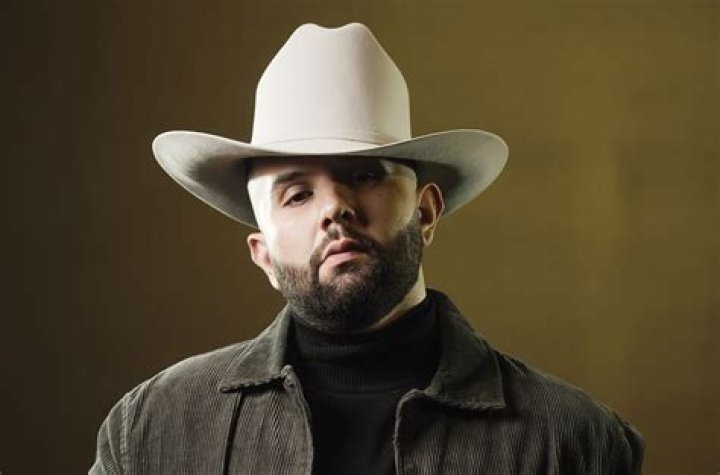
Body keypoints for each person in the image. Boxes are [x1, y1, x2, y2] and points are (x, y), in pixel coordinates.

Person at [91, 23, 644, 474]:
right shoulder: (151, 430)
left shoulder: (574, 442)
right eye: (297, 194)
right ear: (263, 255)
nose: (335, 208)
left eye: (363, 175)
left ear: (425, 212)